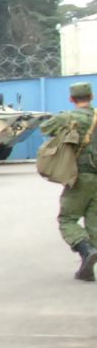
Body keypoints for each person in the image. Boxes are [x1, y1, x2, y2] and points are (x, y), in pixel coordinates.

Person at [40, 81, 97, 281]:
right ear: (91, 97)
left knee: (67, 219)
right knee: (94, 222)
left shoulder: (68, 117)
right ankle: (87, 266)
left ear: (71, 99)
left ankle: (85, 249)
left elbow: (45, 128)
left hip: (79, 176)